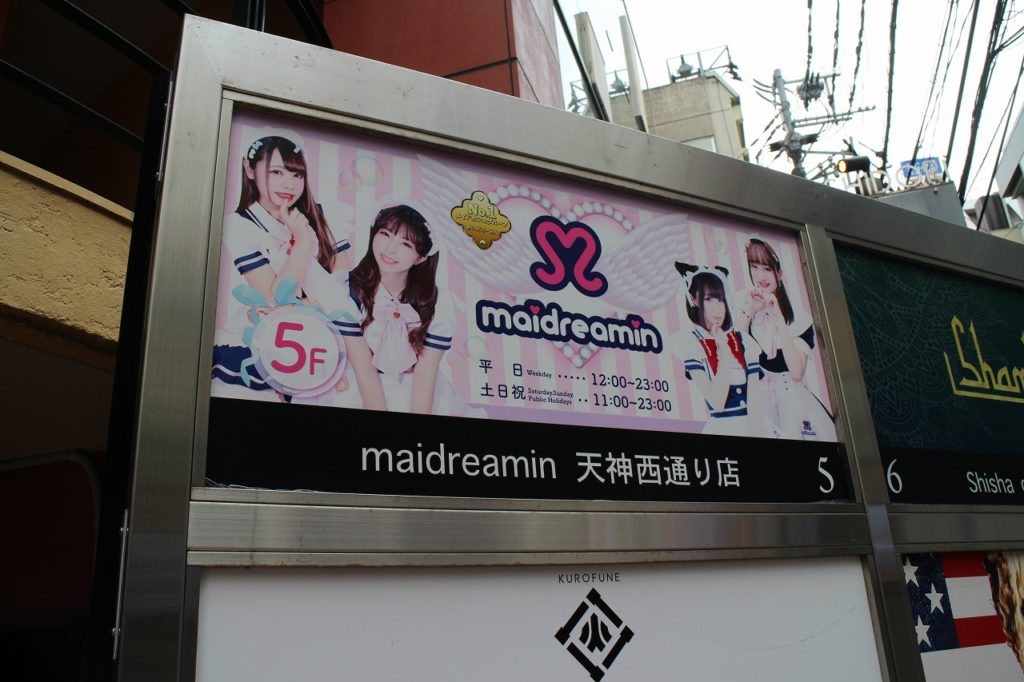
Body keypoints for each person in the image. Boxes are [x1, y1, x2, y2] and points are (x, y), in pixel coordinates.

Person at [212, 130, 351, 398]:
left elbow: (345, 292)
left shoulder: (324, 216)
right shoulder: (239, 225)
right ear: (249, 169)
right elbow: (276, 298)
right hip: (254, 352)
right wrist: (302, 242)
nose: (289, 184)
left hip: (323, 350)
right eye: (276, 172)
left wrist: (309, 307)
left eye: (297, 175)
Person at [338, 204, 472, 415]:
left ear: (421, 257)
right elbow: (363, 368)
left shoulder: (438, 302)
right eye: (385, 234)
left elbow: (425, 374)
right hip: (363, 388)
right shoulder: (347, 290)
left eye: (406, 244)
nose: (390, 248)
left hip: (419, 394)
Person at [736, 237, 836, 440]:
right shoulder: (747, 310)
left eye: (766, 268)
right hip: (759, 402)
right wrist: (751, 310)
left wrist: (779, 318)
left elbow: (797, 372)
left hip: (794, 403)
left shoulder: (799, 319)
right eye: (754, 267)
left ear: (779, 273)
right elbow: (738, 360)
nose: (760, 276)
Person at [675, 263, 763, 436]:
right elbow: (717, 402)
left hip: (752, 428)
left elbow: (755, 403)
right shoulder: (691, 345)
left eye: (720, 299)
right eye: (708, 299)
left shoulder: (743, 341)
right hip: (722, 430)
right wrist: (723, 351)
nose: (717, 308)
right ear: (694, 299)